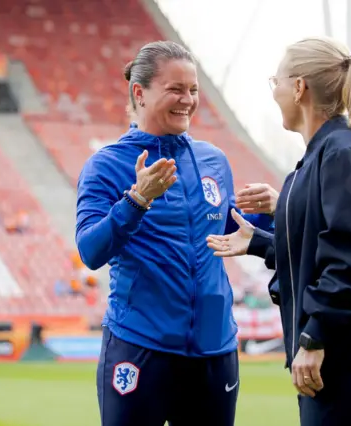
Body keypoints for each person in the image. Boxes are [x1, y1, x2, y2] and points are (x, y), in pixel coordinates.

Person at [207, 36, 351, 426]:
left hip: (349, 351)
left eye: (277, 82)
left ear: (299, 87)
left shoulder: (341, 153)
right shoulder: (324, 155)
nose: (275, 93)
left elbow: (350, 260)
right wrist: (260, 242)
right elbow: (319, 248)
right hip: (345, 349)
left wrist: (315, 336)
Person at [75, 40, 278, 426]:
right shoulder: (106, 165)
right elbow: (90, 250)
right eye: (175, 89)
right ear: (140, 93)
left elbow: (230, 225)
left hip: (214, 351)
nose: (188, 99)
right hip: (139, 347)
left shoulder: (213, 160)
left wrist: (277, 212)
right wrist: (136, 200)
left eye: (194, 90)